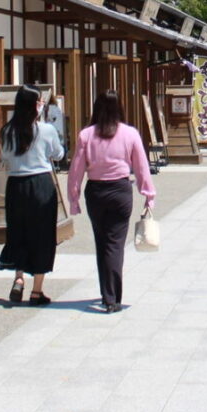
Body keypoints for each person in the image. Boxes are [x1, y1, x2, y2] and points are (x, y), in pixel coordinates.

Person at [68, 90, 156, 312]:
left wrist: (74, 197)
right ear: (119, 108)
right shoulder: (130, 134)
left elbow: (76, 169)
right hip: (120, 190)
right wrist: (148, 194)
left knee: (101, 242)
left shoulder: (86, 135)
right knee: (115, 243)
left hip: (96, 191)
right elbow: (141, 166)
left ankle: (106, 293)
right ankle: (113, 297)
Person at [0, 84, 64, 305]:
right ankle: (37, 290)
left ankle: (18, 279)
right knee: (43, 235)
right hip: (41, 184)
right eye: (40, 102)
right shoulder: (46, 130)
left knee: (18, 232)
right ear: (35, 105)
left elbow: (6, 157)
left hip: (16, 185)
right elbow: (58, 153)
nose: (42, 105)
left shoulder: (7, 130)